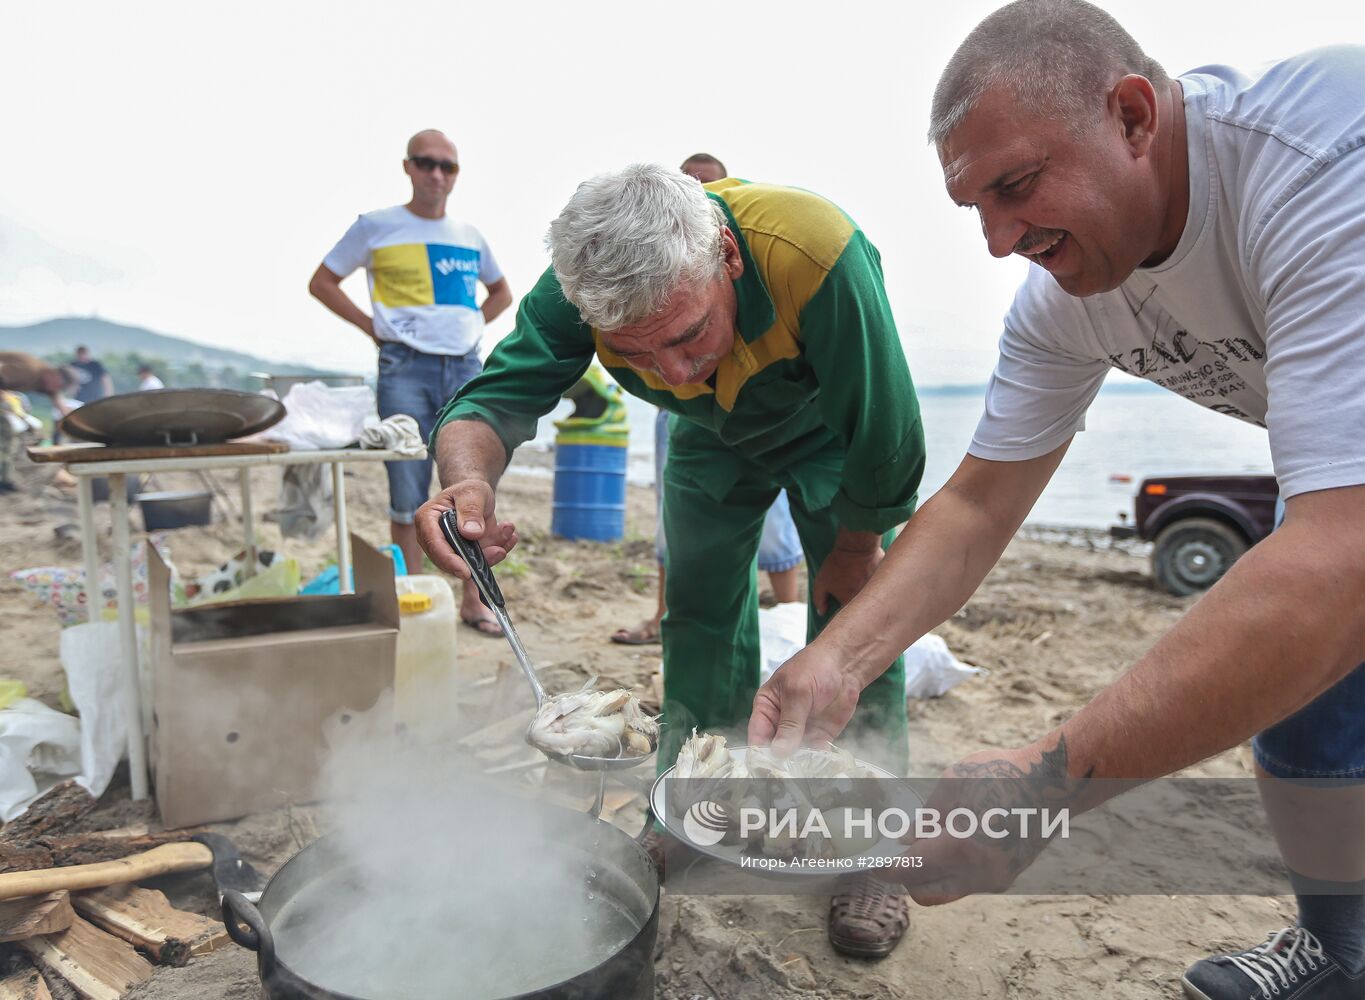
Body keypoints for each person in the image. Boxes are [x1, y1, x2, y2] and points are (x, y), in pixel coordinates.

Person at [748, 3, 1365, 997]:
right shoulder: (1065, 299)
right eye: (974, 210)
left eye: (1017, 187)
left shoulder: (1324, 156)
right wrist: (838, 657)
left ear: (1132, 116)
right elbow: (978, 503)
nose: (998, 241)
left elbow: (1345, 558)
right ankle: (1339, 946)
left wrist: (1041, 782)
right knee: (1299, 709)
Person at [415, 164, 926, 957]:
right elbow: (493, 402)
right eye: (634, 353)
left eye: (688, 334)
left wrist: (857, 546)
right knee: (695, 610)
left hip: (829, 429)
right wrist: (466, 480)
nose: (674, 370)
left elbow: (887, 429)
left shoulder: (815, 253)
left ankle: (871, 843)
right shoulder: (574, 296)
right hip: (710, 435)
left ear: (725, 254)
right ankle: (691, 803)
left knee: (855, 620)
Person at [309, 129, 513, 635]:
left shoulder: (469, 236)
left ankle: (474, 600)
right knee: (406, 484)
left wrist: (468, 326)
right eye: (427, 163)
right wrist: (372, 327)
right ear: (408, 167)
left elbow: (502, 293)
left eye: (448, 166)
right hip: (403, 366)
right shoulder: (376, 226)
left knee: (472, 486)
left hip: (465, 366)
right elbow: (323, 281)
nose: (437, 174)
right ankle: (414, 602)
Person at [612, 152, 804, 646]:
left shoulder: (764, 256)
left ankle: (789, 612)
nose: (703, 198)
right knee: (675, 517)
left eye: (712, 190)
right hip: (683, 411)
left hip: (765, 409)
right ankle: (664, 615)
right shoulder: (647, 260)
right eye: (690, 188)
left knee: (778, 519)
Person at [0, 353, 78, 492]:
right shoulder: (30, 370)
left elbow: (61, 406)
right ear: (54, 375)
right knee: (5, 428)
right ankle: (3, 480)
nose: (58, 389)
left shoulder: (47, 383)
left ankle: (6, 479)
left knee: (26, 432)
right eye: (60, 385)